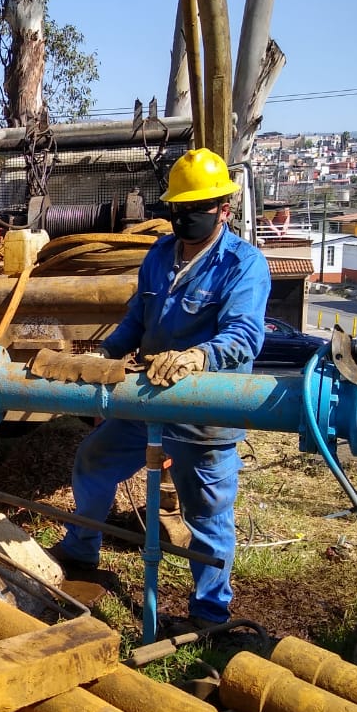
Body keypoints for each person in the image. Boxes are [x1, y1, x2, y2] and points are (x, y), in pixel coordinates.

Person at [56, 148, 270, 627]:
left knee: (207, 514)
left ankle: (210, 610)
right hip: (149, 397)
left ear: (223, 210)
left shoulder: (243, 265)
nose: (185, 218)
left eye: (197, 210)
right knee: (94, 459)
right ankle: (81, 549)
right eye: (179, 209)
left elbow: (244, 335)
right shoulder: (158, 255)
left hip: (205, 406)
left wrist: (199, 356)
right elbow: (139, 318)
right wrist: (105, 357)